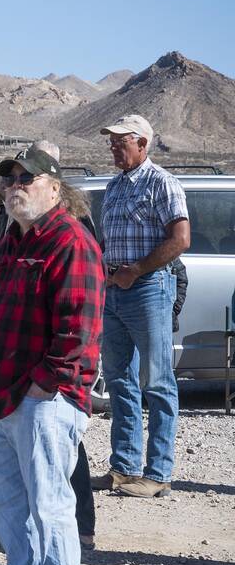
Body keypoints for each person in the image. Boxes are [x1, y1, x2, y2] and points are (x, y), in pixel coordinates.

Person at [0, 147, 104, 565]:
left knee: (49, 502)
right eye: (8, 179)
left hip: (42, 398)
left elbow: (79, 328)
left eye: (26, 177)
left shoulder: (69, 240)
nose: (14, 186)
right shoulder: (10, 239)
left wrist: (44, 382)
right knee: (7, 506)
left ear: (54, 185)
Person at [92, 114, 190, 498]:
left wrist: (137, 269)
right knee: (119, 380)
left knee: (158, 381)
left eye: (121, 141)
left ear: (143, 144)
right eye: (112, 141)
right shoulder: (115, 186)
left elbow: (180, 239)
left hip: (148, 287)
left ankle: (159, 474)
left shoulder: (161, 182)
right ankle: (124, 468)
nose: (114, 147)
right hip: (114, 290)